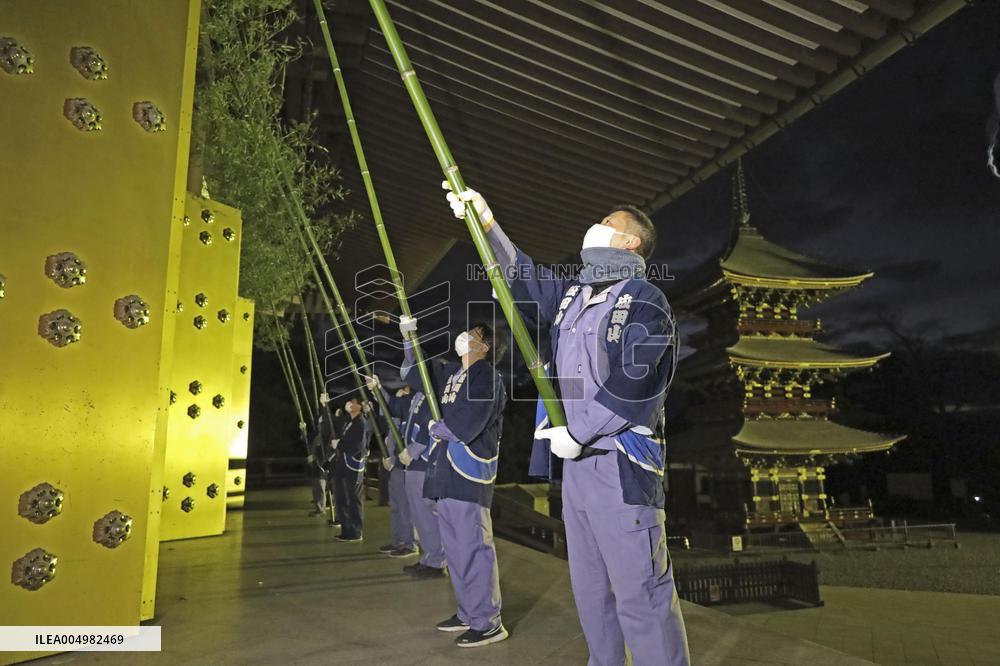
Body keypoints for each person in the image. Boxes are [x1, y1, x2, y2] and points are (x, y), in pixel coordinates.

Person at [445, 183, 690, 665]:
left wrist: (580, 432)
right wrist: (486, 223)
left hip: (620, 465)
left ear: (630, 242)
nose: (596, 226)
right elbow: (522, 276)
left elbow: (635, 379)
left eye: (608, 222)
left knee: (641, 593)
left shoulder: (645, 299)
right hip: (574, 468)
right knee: (591, 590)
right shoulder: (574, 294)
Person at [397, 317, 508, 647]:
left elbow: (467, 421)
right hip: (444, 470)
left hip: (468, 471)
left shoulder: (487, 376)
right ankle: (468, 612)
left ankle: (487, 620)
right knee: (457, 549)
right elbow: (417, 374)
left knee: (472, 546)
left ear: (485, 347)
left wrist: (438, 429)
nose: (463, 337)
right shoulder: (452, 373)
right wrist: (409, 339)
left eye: (472, 335)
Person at [367, 378, 419, 559]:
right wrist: (377, 390)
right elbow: (388, 405)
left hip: (405, 464)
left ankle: (409, 543)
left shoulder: (412, 410)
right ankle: (398, 541)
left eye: (404, 391)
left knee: (405, 506)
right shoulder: (397, 414)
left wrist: (380, 391)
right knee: (396, 505)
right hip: (394, 465)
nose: (401, 394)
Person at [330, 397, 371, 542]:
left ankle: (355, 531)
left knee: (353, 497)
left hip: (353, 463)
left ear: (359, 406)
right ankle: (346, 529)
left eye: (353, 402)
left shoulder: (361, 423)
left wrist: (340, 445)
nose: (349, 404)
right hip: (343, 462)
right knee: (341, 496)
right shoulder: (349, 422)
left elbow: (358, 445)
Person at [307, 393, 336, 519]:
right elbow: (312, 443)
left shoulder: (328, 434)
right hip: (317, 463)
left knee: (320, 486)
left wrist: (324, 406)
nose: (319, 425)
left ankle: (321, 508)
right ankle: (319, 507)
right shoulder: (318, 435)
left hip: (322, 463)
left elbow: (329, 448)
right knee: (317, 486)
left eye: (321, 423)